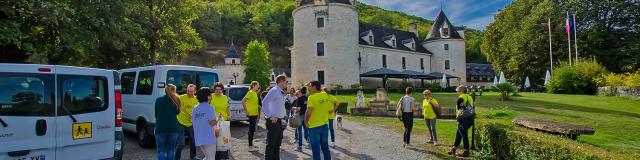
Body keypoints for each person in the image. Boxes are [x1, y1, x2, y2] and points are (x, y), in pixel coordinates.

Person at [261, 75, 288, 160]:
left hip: (279, 121)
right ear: (281, 81)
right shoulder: (275, 90)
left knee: (277, 145)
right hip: (273, 122)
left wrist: (283, 119)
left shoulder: (279, 91)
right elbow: (264, 102)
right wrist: (270, 116)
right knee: (271, 145)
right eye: (286, 81)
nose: (286, 83)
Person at [305, 81, 331, 160]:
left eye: (309, 86)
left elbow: (308, 112)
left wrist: (306, 122)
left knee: (316, 150)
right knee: (325, 148)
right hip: (324, 126)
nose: (308, 88)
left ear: (314, 87)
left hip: (314, 127)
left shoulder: (311, 97)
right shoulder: (325, 94)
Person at [155, 84, 181, 160]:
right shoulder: (177, 99)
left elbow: (156, 114)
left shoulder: (158, 100)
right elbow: (178, 112)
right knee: (171, 149)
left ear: (165, 91)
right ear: (174, 90)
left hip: (160, 128)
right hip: (173, 128)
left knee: (160, 150)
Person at [447, 86, 475, 157]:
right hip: (470, 118)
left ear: (461, 91)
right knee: (458, 134)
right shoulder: (469, 96)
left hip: (463, 119)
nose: (457, 92)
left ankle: (466, 151)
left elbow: (459, 101)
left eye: (457, 91)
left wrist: (459, 109)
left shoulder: (462, 96)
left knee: (464, 135)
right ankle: (454, 148)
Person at [192, 87, 218, 160]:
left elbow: (194, 122)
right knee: (211, 158)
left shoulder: (195, 108)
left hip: (199, 137)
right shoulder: (210, 108)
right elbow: (212, 123)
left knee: (207, 157)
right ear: (208, 96)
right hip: (209, 138)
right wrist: (218, 118)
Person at [176, 84, 199, 160]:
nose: (189, 93)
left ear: (195, 91)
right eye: (188, 91)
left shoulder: (197, 100)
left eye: (191, 91)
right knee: (181, 143)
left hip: (191, 124)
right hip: (180, 122)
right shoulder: (181, 98)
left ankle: (193, 156)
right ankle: (176, 158)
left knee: (193, 141)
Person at [242, 81, 261, 152]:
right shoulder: (250, 92)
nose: (258, 86)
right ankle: (250, 146)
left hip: (255, 114)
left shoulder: (254, 93)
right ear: (253, 86)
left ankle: (251, 145)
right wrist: (246, 111)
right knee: (251, 130)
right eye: (257, 85)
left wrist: (259, 106)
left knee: (252, 130)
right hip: (251, 114)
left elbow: (254, 103)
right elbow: (243, 101)